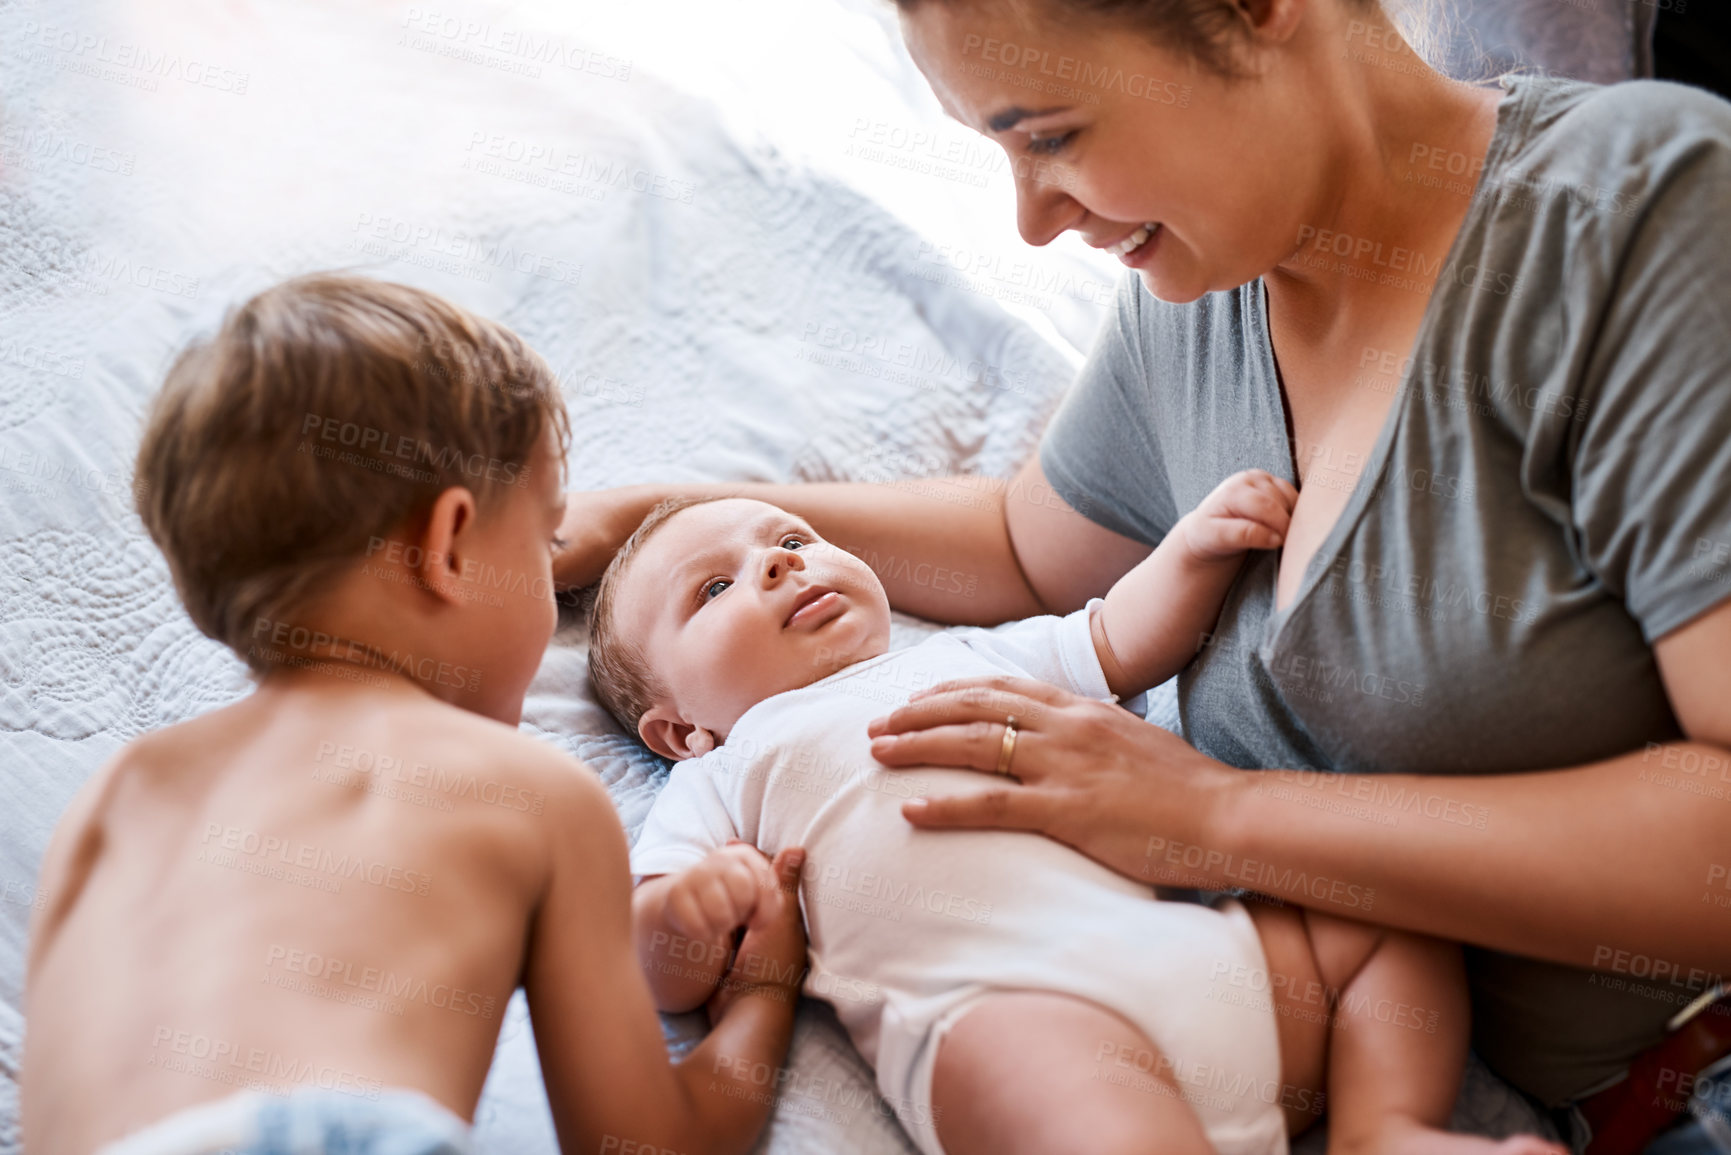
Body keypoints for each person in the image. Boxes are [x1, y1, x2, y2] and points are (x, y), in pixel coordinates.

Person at [555, 0, 1731, 1145]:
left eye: (1052, 136)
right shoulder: (1201, 295)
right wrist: (657, 513)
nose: (1030, 219)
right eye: (999, 153)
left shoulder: (1637, 217)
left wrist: (1218, 818)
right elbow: (1024, 545)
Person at [21, 275, 806, 1155]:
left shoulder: (112, 796)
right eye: (545, 542)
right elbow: (649, 1143)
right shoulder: (533, 794)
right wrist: (764, 996)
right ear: (447, 546)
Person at [595, 488, 1565, 1155]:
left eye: (792, 540)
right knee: (1081, 1110)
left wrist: (1189, 549)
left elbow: (1113, 639)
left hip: (1203, 956)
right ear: (679, 728)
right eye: (715, 588)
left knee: (1381, 911)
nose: (775, 565)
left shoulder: (975, 651)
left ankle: (1380, 1127)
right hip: (1005, 1012)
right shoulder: (730, 766)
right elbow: (654, 974)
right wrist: (687, 913)